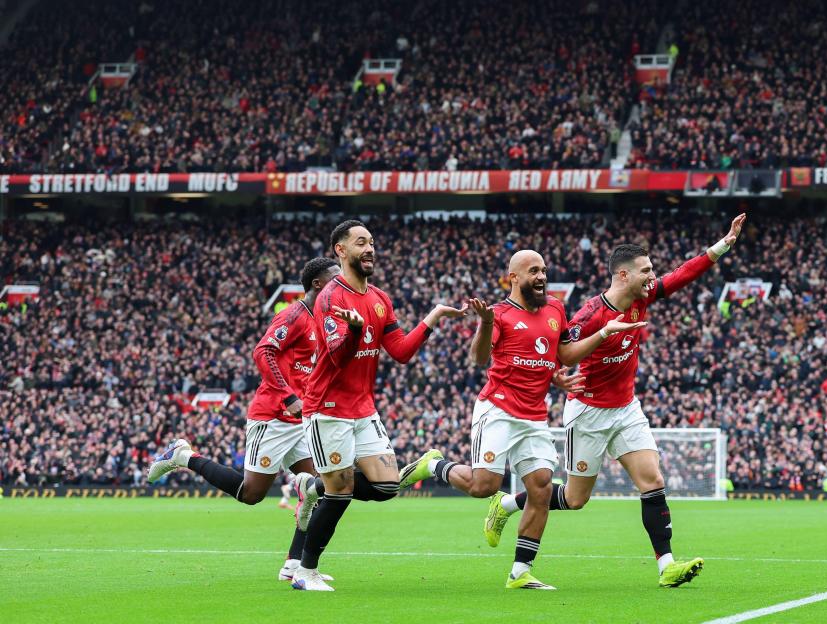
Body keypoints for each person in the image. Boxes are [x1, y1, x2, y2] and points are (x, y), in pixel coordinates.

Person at [481, 213, 747, 588]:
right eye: (646, 270)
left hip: (626, 409)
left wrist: (724, 245)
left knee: (652, 478)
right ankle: (506, 504)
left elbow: (682, 274)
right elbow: (563, 351)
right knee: (575, 499)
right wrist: (562, 371)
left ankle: (666, 565)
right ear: (623, 275)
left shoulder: (645, 295)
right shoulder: (591, 313)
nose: (652, 276)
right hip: (588, 412)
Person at [401, 249, 643, 590]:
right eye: (533, 271)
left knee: (541, 488)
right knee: (483, 486)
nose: (541, 276)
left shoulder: (556, 308)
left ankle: (520, 572)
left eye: (543, 269)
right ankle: (433, 465)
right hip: (498, 409)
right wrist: (485, 324)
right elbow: (478, 358)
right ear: (514, 277)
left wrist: (566, 368)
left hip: (534, 415)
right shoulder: (499, 314)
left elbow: (561, 355)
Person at [290, 219, 467, 592]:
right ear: (341, 250)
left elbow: (400, 352)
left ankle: (313, 487)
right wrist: (353, 331)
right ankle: (305, 573)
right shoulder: (330, 298)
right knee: (340, 493)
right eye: (360, 242)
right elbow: (337, 359)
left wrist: (431, 317)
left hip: (363, 409)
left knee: (387, 486)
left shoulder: (380, 298)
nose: (369, 248)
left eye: (371, 242)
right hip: (327, 409)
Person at [147, 257, 340, 582]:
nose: (342, 286)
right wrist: (288, 395)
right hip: (274, 416)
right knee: (251, 494)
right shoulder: (294, 314)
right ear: (319, 285)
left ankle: (295, 564)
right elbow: (263, 351)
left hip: (301, 419)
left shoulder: (323, 319)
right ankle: (183, 456)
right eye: (336, 280)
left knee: (321, 489)